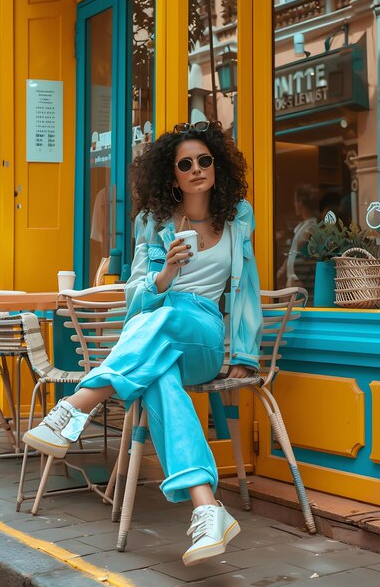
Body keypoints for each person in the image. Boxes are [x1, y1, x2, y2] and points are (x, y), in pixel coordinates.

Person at [23, 121, 263, 567]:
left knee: (168, 320)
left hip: (206, 337)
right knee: (159, 379)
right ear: (172, 176)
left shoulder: (237, 218)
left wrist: (245, 355)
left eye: (204, 161)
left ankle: (77, 405)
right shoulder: (153, 224)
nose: (196, 170)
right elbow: (136, 299)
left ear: (217, 167)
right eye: (185, 164)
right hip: (160, 337)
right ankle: (207, 508)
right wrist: (165, 274)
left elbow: (247, 287)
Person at [277, 184, 318, 288]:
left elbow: (300, 247)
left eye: (295, 201)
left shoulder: (311, 226)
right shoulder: (302, 225)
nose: (294, 204)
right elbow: (293, 250)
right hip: (292, 277)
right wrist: (282, 269)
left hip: (300, 278)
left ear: (300, 202)